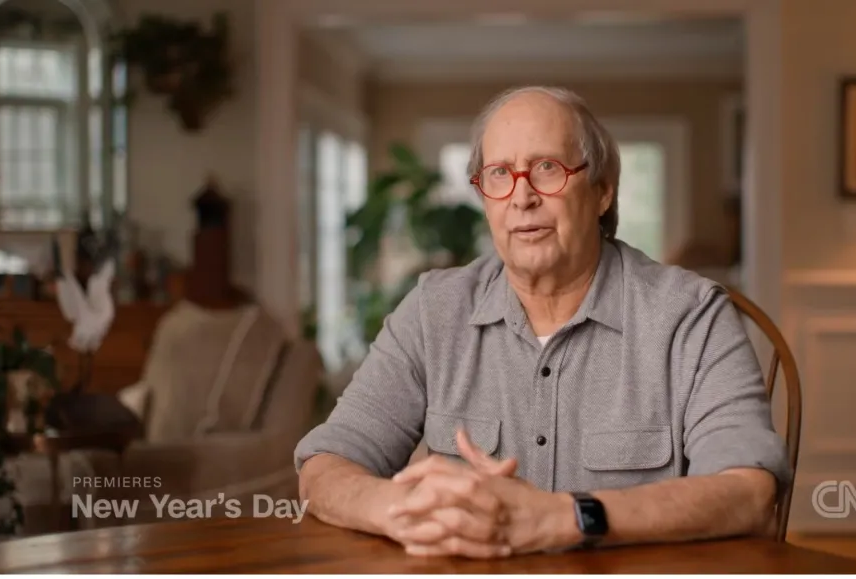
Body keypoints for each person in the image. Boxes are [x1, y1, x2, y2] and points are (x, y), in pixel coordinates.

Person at [294, 86, 790, 559]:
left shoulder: (691, 316)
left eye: (547, 169)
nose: (521, 196)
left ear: (601, 191)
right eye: (498, 173)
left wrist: (566, 516)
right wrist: (400, 510)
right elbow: (326, 464)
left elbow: (747, 493)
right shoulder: (432, 311)